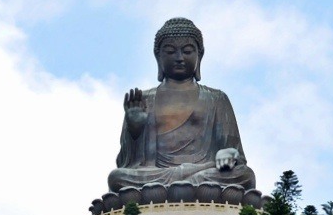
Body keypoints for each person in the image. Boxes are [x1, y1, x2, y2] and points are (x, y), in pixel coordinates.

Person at [108, 18, 256, 192]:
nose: (179, 58)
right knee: (117, 178)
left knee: (245, 174)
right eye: (170, 52)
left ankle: (184, 187)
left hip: (204, 171)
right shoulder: (144, 99)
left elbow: (235, 154)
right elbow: (127, 163)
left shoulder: (216, 98)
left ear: (199, 56)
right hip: (157, 175)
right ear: (158, 56)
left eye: (187, 51)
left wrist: (229, 154)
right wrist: (135, 131)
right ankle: (187, 187)